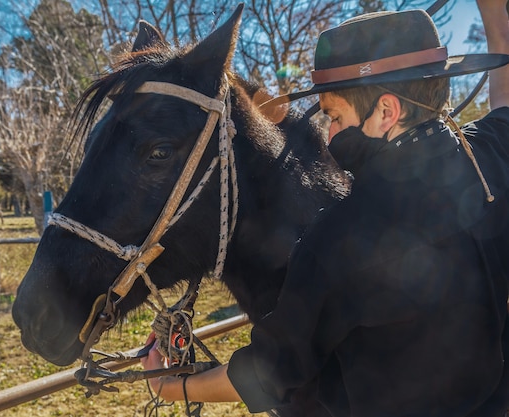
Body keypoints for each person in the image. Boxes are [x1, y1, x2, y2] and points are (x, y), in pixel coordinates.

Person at [141, 1, 509, 416]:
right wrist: (496, 19)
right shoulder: (487, 157)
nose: (329, 132)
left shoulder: (339, 240)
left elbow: (268, 374)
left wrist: (171, 387)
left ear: (386, 111)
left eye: (334, 115)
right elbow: (506, 103)